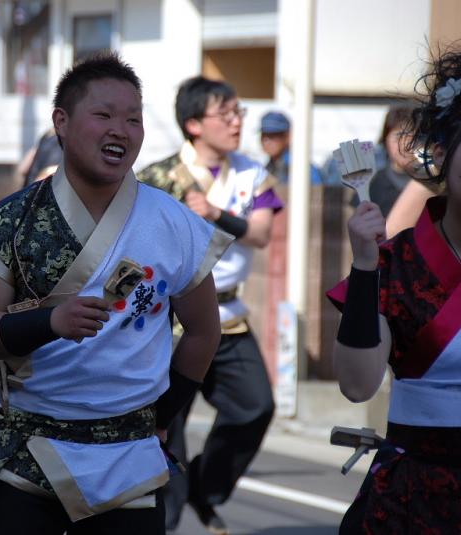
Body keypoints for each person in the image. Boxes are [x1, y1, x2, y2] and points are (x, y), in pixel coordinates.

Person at [0, 54, 230, 535]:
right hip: (28, 447)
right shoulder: (9, 222)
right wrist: (51, 322)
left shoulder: (175, 223)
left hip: (128, 456)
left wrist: (163, 418)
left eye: (133, 119)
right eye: (103, 115)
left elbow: (205, 333)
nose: (120, 130)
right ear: (61, 121)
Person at [328, 42, 461, 533]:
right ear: (441, 152)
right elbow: (357, 385)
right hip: (409, 494)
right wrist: (363, 265)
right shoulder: (394, 263)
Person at [139, 76, 282, 534]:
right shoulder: (157, 177)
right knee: (169, 429)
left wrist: (217, 213)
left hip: (229, 316)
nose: (238, 122)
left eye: (240, 112)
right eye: (227, 114)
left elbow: (260, 233)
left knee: (255, 407)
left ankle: (207, 488)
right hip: (170, 321)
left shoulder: (252, 172)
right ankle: (167, 519)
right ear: (194, 124)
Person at [259, 110, 322, 184]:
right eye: (264, 135)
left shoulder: (303, 169)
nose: (266, 141)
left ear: (288, 136)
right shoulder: (265, 169)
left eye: (273, 135)